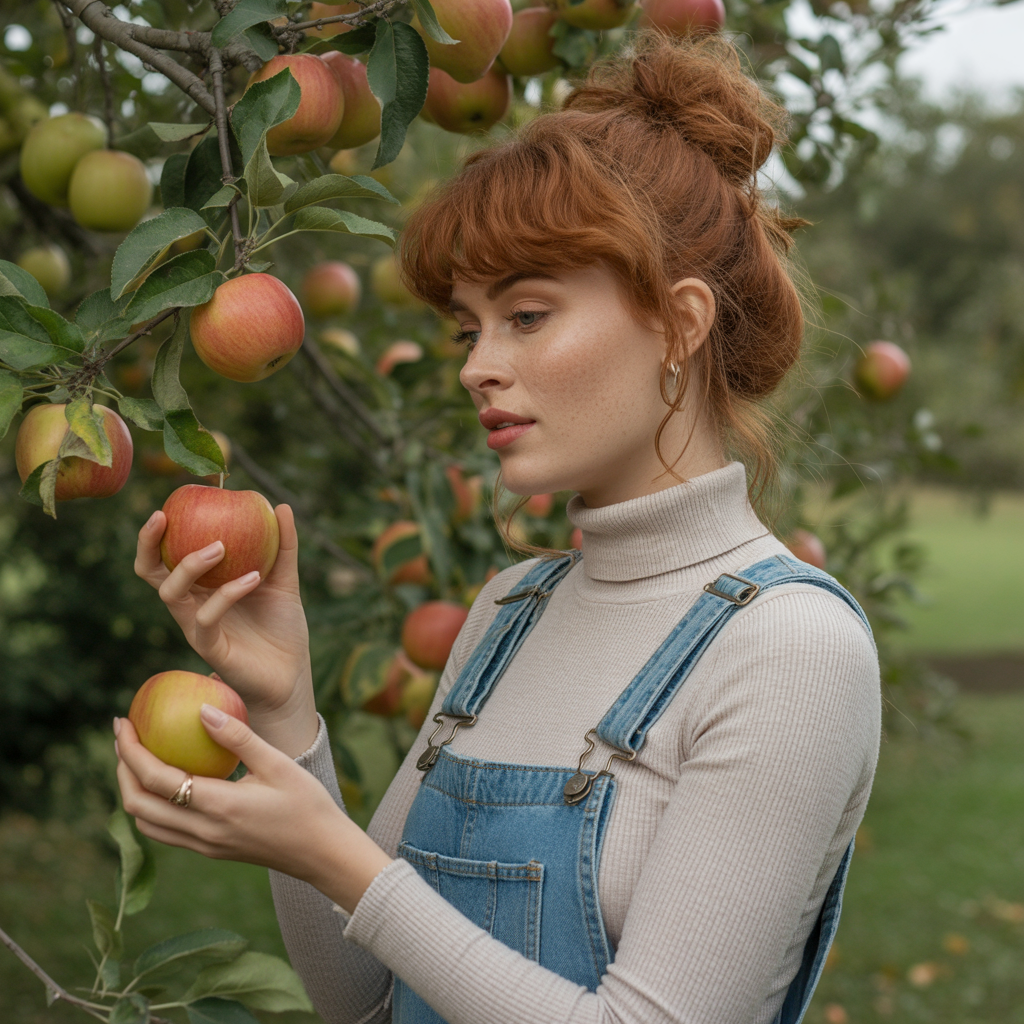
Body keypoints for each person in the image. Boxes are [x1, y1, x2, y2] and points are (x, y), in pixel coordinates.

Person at [114, 30, 881, 1024]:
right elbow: (361, 998)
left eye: (524, 315)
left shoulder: (787, 648)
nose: (475, 365)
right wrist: (284, 705)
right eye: (467, 327)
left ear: (681, 326)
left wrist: (335, 855)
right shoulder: (508, 610)